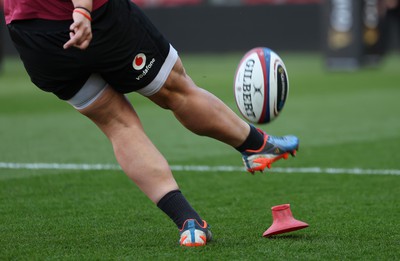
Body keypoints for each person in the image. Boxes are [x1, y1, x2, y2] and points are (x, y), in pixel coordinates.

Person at [3, 0, 299, 247]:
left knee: (117, 124)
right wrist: (82, 11)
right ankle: (256, 146)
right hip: (97, 18)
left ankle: (189, 223)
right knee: (177, 90)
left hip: (33, 36)